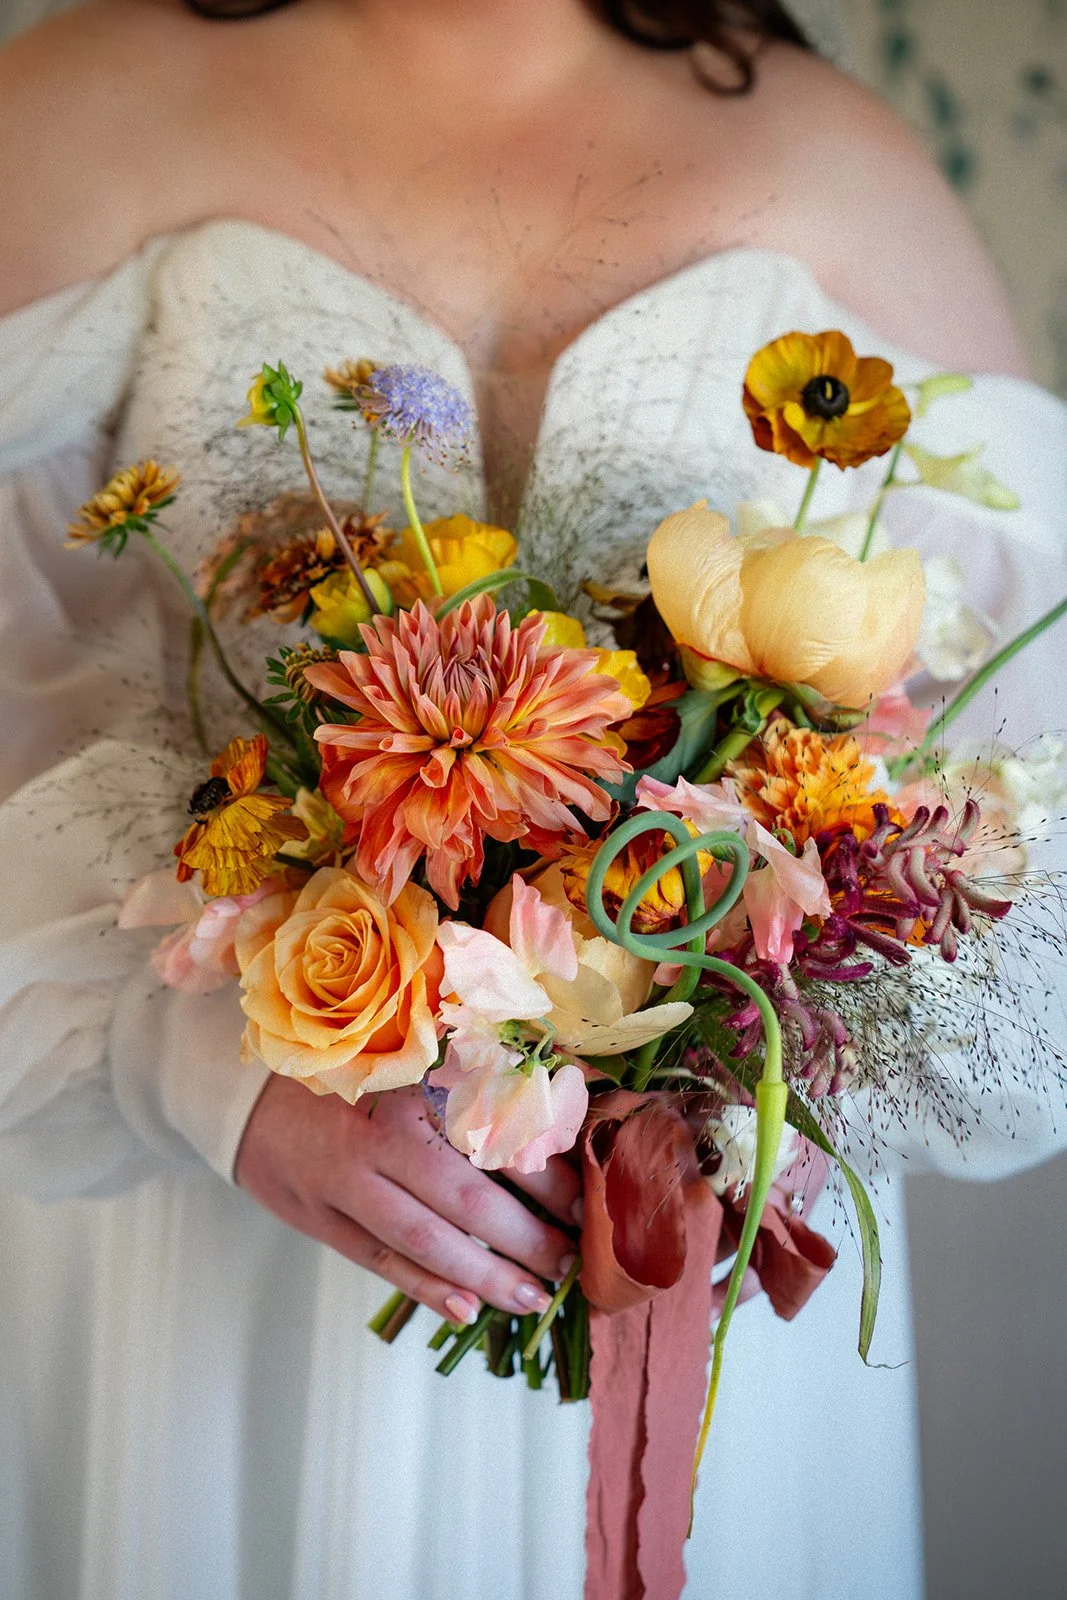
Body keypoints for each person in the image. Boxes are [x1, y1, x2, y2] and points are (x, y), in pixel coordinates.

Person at [0, 2, 1063, 1596]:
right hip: (215, 1257)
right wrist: (194, 1065)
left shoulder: (840, 168)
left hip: (671, 1265)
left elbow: (1022, 802)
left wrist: (742, 1033)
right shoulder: (74, 109)